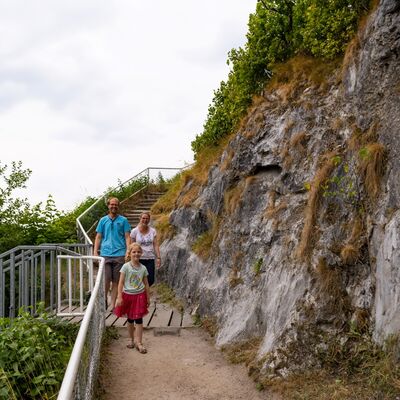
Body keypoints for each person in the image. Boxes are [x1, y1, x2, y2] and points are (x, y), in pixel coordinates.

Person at [93, 197, 131, 310]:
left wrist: (128, 251)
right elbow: (98, 237)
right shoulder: (103, 220)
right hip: (105, 253)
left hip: (119, 253)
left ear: (118, 206)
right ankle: (104, 299)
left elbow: (127, 236)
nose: (113, 206)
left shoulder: (123, 220)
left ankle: (113, 305)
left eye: (116, 205)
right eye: (111, 204)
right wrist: (95, 252)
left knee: (116, 281)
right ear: (108, 206)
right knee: (106, 279)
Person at [114, 243, 150, 353]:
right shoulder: (126, 267)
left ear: (141, 253)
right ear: (130, 253)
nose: (136, 254)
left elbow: (146, 284)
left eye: (138, 252)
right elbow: (120, 283)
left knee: (139, 319)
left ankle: (139, 342)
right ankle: (131, 339)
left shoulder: (143, 268)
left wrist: (148, 298)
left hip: (139, 296)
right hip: (127, 295)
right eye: (134, 252)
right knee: (130, 319)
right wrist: (119, 297)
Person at [130, 212, 161, 286]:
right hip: (138, 258)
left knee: (150, 280)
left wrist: (158, 257)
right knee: (138, 280)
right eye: (143, 218)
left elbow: (155, 244)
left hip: (150, 258)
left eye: (147, 218)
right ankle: (140, 295)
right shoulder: (134, 231)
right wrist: (131, 257)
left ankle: (144, 294)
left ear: (149, 220)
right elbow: (131, 246)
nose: (145, 220)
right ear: (140, 219)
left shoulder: (153, 231)